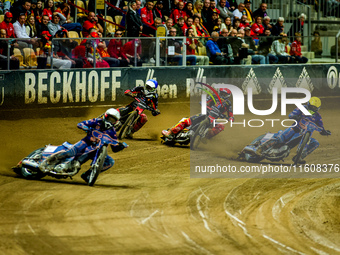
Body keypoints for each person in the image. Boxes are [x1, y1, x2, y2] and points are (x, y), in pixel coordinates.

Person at [43, 108, 127, 183]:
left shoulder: (112, 132)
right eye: (109, 118)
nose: (110, 121)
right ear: (105, 116)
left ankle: (88, 175)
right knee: (69, 152)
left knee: (110, 162)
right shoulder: (97, 121)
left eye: (113, 120)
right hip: (85, 143)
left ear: (116, 122)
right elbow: (81, 124)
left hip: (97, 150)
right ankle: (48, 161)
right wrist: (85, 127)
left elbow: (115, 147)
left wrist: (121, 146)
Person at [249, 97, 331, 164]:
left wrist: (324, 131)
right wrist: (296, 116)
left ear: (318, 108)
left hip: (304, 134)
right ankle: (259, 148)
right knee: (280, 139)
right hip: (294, 129)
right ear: (308, 104)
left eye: (315, 108)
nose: (313, 109)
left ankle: (300, 157)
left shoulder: (317, 116)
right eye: (312, 106)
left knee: (315, 143)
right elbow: (291, 114)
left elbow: (320, 126)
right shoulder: (302, 108)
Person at [162, 88, 234, 139]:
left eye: (224, 95)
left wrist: (230, 118)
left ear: (228, 96)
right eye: (221, 93)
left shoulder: (228, 103)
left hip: (215, 119)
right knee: (188, 121)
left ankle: (207, 137)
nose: (222, 96)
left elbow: (231, 114)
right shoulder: (214, 97)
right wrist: (203, 103)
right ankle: (170, 132)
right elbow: (205, 100)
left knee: (221, 126)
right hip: (205, 114)